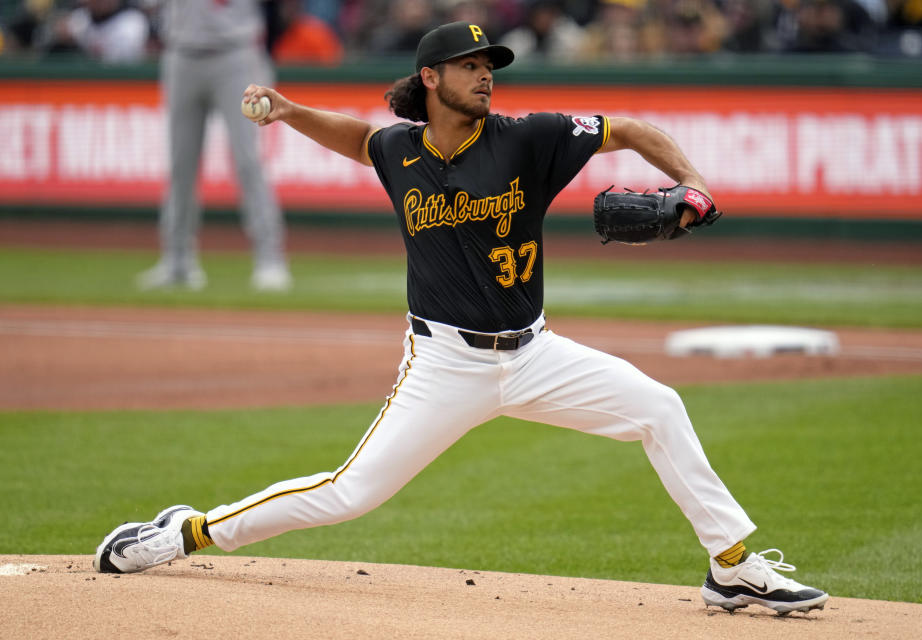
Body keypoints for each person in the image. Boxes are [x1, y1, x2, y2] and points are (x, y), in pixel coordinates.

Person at [94, 21, 828, 616]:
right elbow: (359, 139)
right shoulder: (401, 151)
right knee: (350, 493)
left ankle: (731, 568)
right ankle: (187, 531)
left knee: (659, 408)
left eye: (491, 65)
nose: (486, 75)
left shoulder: (529, 138)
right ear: (432, 79)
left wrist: (692, 184)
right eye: (471, 64)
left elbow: (629, 128)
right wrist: (288, 112)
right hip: (445, 364)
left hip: (537, 356)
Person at [137, 0, 291, 292]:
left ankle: (270, 258)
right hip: (181, 52)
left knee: (248, 160)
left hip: (236, 52)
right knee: (181, 163)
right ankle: (177, 261)